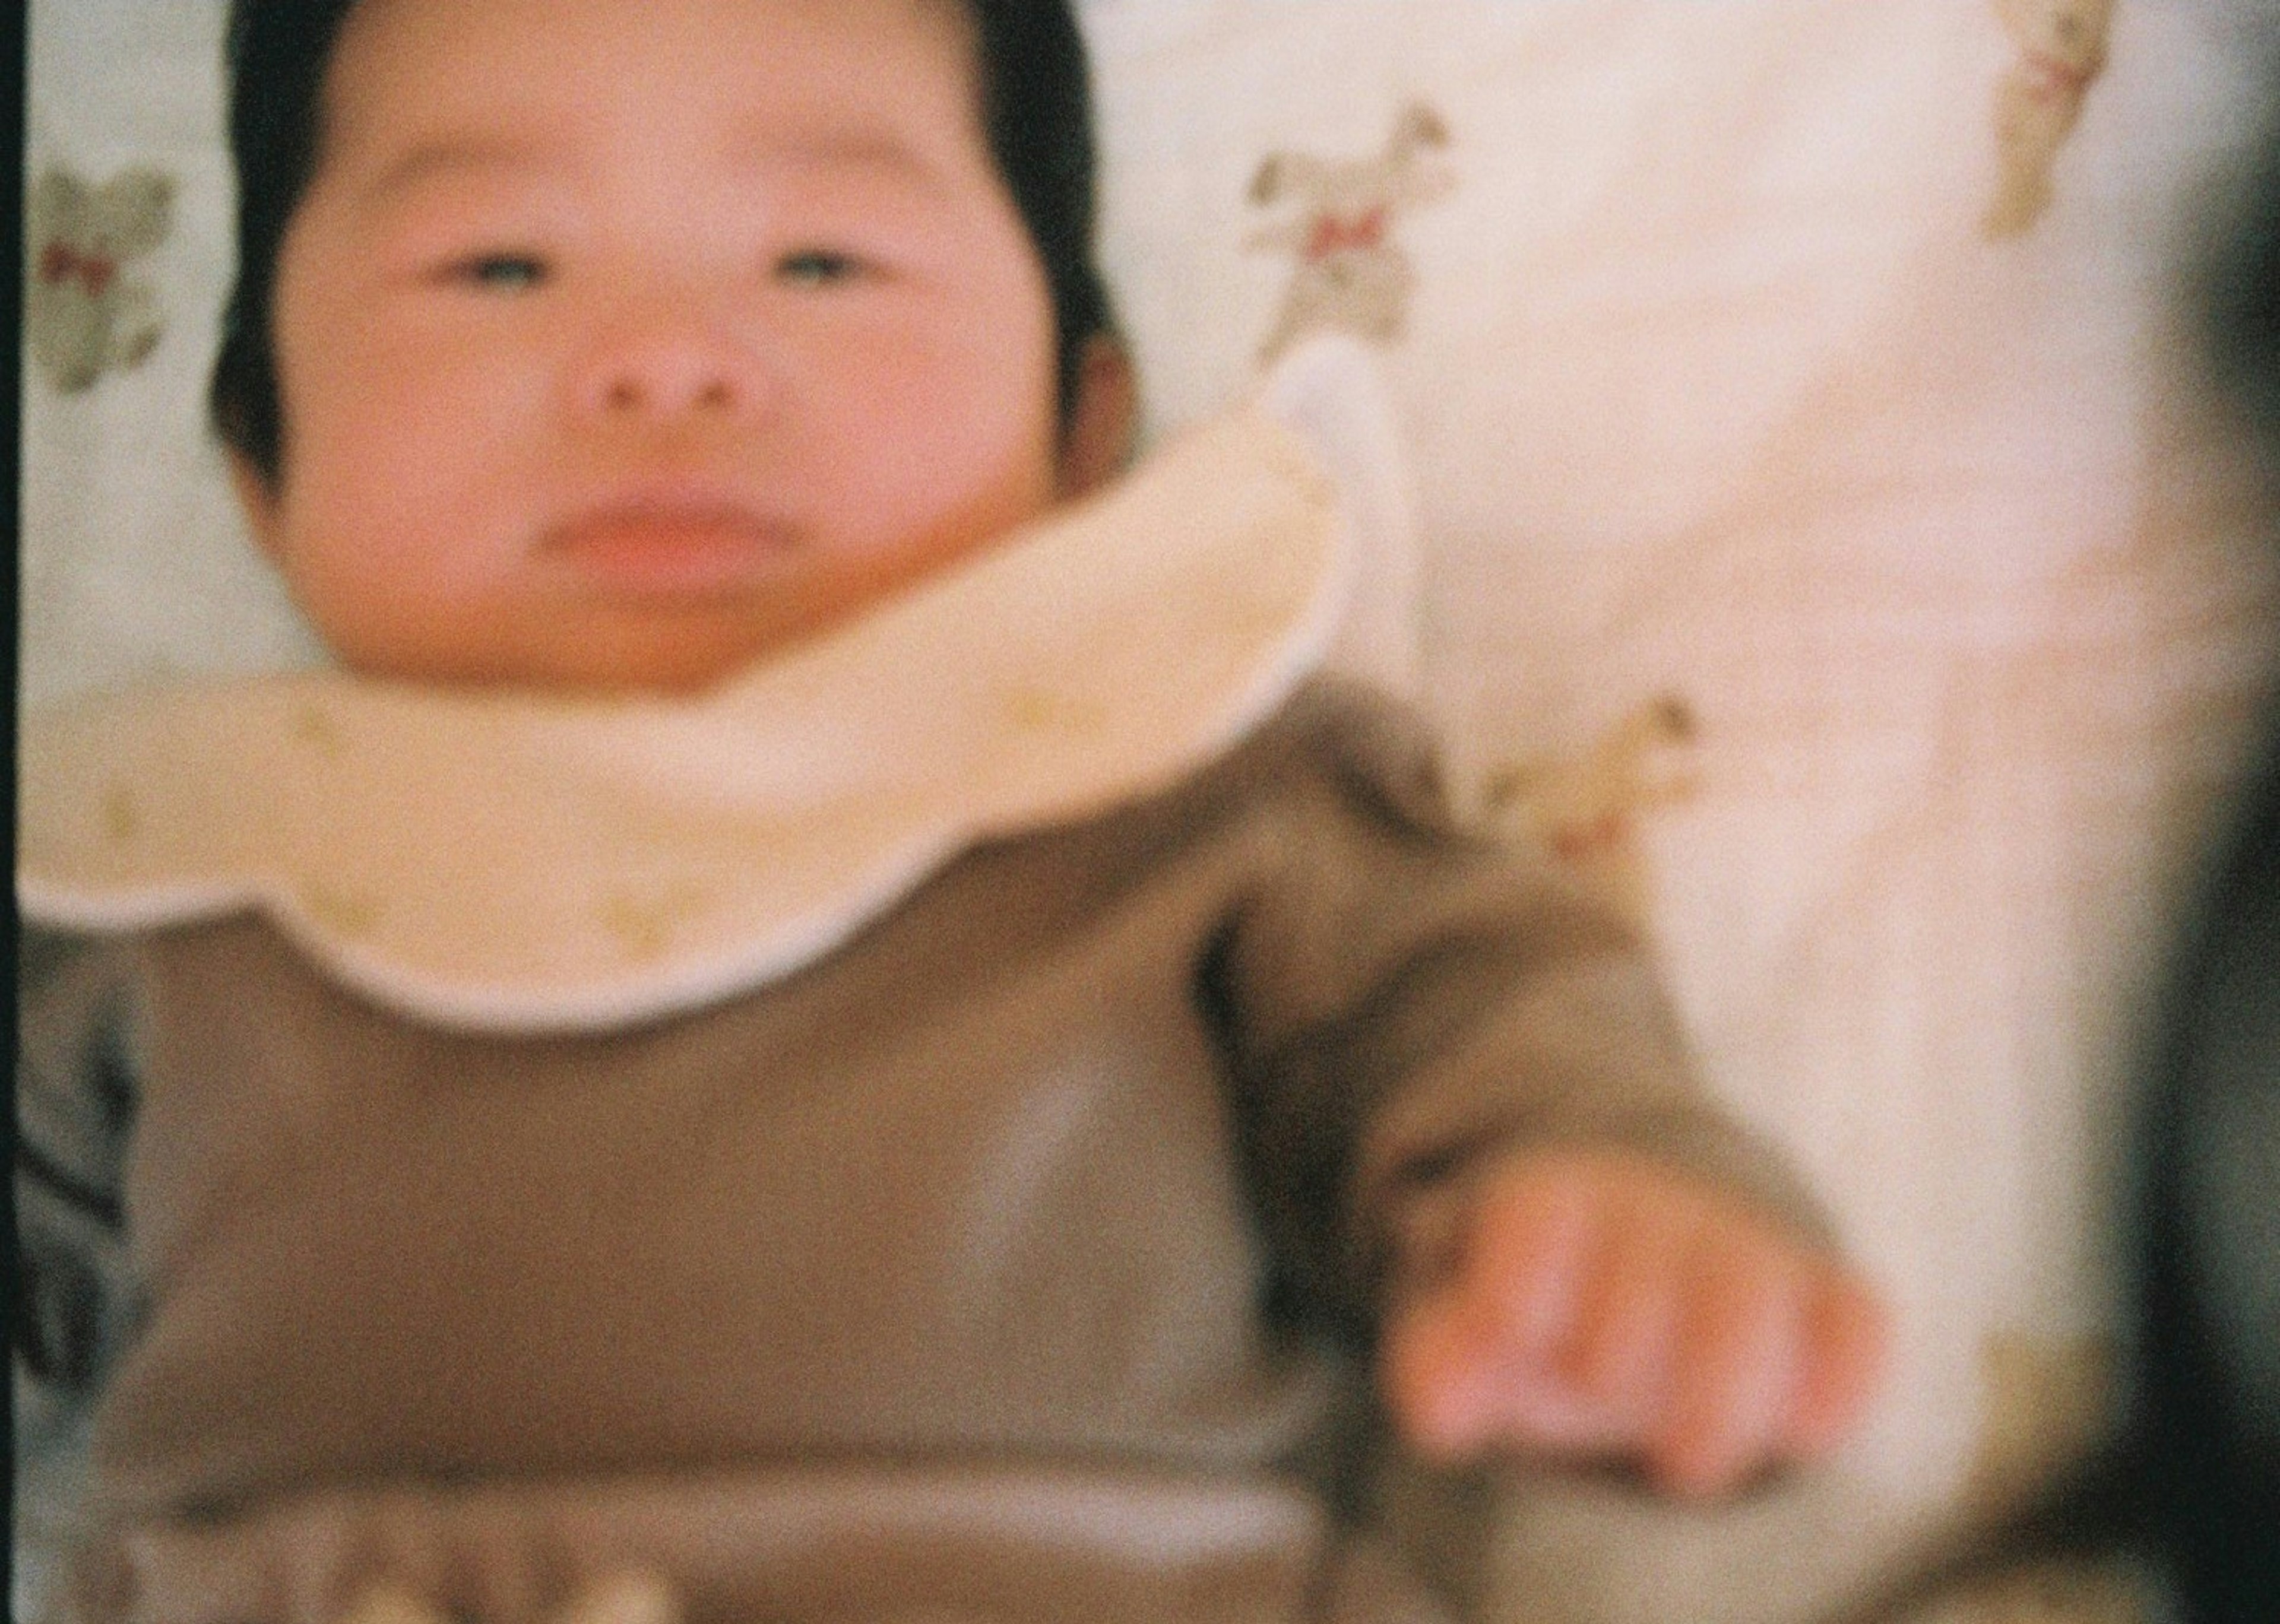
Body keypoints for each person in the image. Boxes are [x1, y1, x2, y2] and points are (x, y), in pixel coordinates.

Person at [13, 1, 1888, 1619]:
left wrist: (1603, 1217)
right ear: (261, 464)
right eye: (496, 264)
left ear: (1085, 428)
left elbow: (1472, 1016)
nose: (666, 357)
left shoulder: (1177, 776)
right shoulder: (160, 872)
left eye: (823, 260)